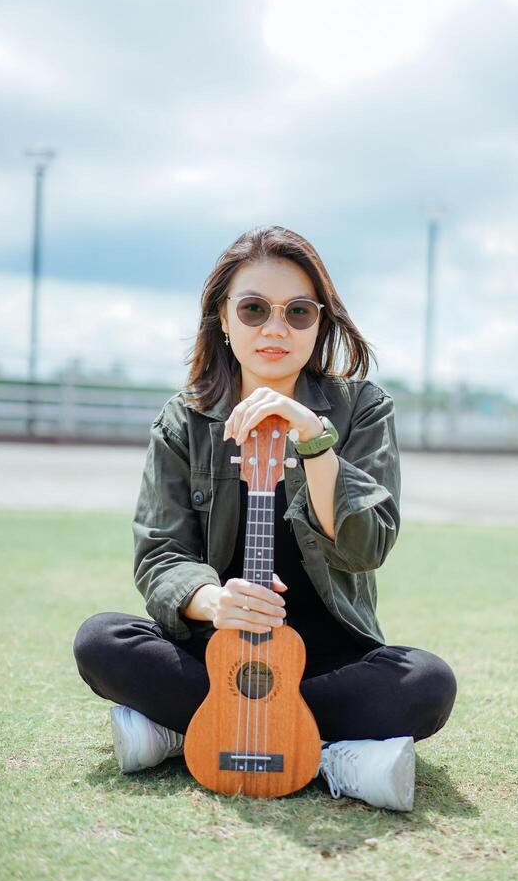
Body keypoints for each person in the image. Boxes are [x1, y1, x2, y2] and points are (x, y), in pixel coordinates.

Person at [73, 225, 457, 811]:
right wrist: (212, 601)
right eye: (254, 309)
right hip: (218, 657)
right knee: (101, 640)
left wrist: (315, 441)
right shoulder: (184, 421)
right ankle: (335, 753)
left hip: (329, 660)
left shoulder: (363, 410)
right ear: (223, 320)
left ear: (319, 324)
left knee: (426, 684)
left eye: (298, 312)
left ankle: (189, 730)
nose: (275, 328)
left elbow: (367, 547)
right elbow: (159, 556)